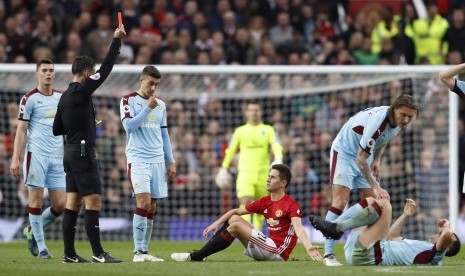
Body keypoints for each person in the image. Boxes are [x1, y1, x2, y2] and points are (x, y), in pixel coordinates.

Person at [52, 24, 126, 264]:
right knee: (93, 201)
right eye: (91, 72)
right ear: (86, 73)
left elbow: (56, 129)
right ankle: (98, 253)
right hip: (83, 153)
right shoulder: (83, 90)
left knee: (72, 204)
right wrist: (116, 40)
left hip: (70, 152)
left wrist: (82, 122)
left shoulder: (64, 96)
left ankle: (69, 254)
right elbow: (106, 69)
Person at [322, 94, 419, 266]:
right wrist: (376, 185)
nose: (406, 119)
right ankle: (328, 254)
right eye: (403, 115)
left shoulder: (396, 123)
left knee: (372, 204)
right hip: (345, 152)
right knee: (341, 200)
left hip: (364, 156)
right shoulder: (378, 123)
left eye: (410, 117)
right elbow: (360, 158)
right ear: (394, 109)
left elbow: (384, 140)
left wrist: (377, 160)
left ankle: (358, 246)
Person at [171, 164, 323, 262]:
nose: (268, 180)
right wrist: (216, 223)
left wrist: (308, 246)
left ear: (283, 183)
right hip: (267, 246)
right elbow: (236, 211)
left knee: (235, 226)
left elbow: (299, 228)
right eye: (268, 176)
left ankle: (196, 257)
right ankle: (201, 254)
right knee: (235, 218)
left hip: (277, 252)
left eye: (273, 177)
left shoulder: (291, 204)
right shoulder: (265, 201)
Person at [9, 59, 65, 259]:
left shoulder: (61, 97)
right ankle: (42, 248)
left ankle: (32, 230)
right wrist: (15, 158)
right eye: (44, 71)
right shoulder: (29, 99)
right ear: (37, 74)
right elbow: (21, 130)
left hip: (58, 157)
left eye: (51, 70)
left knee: (61, 204)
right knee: (36, 199)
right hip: (36, 156)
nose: (48, 73)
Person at [120, 65, 176, 262]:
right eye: (150, 83)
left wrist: (171, 160)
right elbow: (129, 127)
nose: (153, 88)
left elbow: (164, 134)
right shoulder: (128, 100)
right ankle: (137, 252)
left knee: (152, 207)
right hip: (138, 160)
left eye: (157, 84)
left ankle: (145, 251)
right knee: (143, 202)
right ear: (141, 80)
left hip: (157, 161)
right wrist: (147, 108)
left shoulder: (160, 104)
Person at [309, 198, 461, 265]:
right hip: (359, 249)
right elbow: (392, 236)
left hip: (368, 254)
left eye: (440, 235)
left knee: (385, 206)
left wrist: (447, 225)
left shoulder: (436, 256)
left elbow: (448, 235)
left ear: (446, 246)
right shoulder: (421, 248)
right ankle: (335, 227)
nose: (438, 233)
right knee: (370, 201)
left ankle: (337, 228)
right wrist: (405, 215)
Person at [215, 101, 283, 231]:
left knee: (261, 208)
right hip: (245, 174)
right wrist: (224, 168)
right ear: (247, 113)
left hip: (264, 174)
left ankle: (255, 234)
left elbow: (276, 145)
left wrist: (278, 157)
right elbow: (230, 150)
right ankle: (247, 232)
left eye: (256, 110)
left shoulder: (268, 130)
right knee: (245, 201)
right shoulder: (240, 131)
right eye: (251, 110)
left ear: (260, 112)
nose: (254, 112)